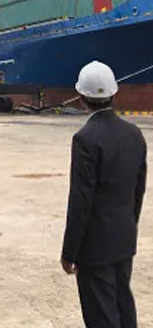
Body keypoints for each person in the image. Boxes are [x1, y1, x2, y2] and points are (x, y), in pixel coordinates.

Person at [61, 61, 148, 328]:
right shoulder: (134, 134)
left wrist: (69, 252)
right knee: (123, 305)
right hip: (124, 238)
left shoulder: (85, 139)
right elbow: (138, 190)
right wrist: (128, 225)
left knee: (102, 316)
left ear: (82, 98)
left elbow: (80, 202)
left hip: (95, 247)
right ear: (114, 93)